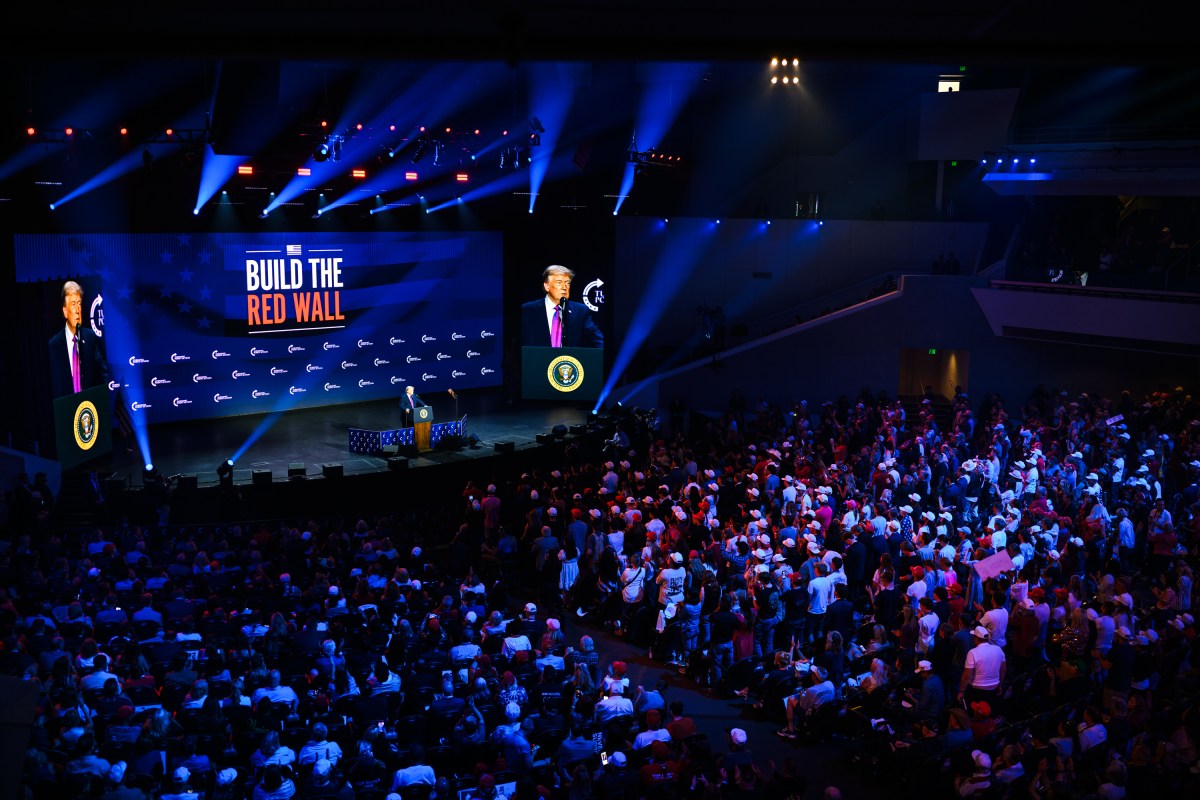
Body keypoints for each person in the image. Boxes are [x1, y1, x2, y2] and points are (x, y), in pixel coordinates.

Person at [48, 280, 109, 398]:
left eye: (79, 304)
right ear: (65, 312)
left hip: (89, 404)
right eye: (73, 304)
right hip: (67, 405)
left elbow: (103, 373)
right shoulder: (54, 345)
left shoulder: (90, 338)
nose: (77, 310)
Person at [520, 265, 604, 348]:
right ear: (547, 286)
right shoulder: (528, 310)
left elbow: (597, 339)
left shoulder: (580, 311)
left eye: (567, 283)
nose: (564, 287)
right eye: (559, 282)